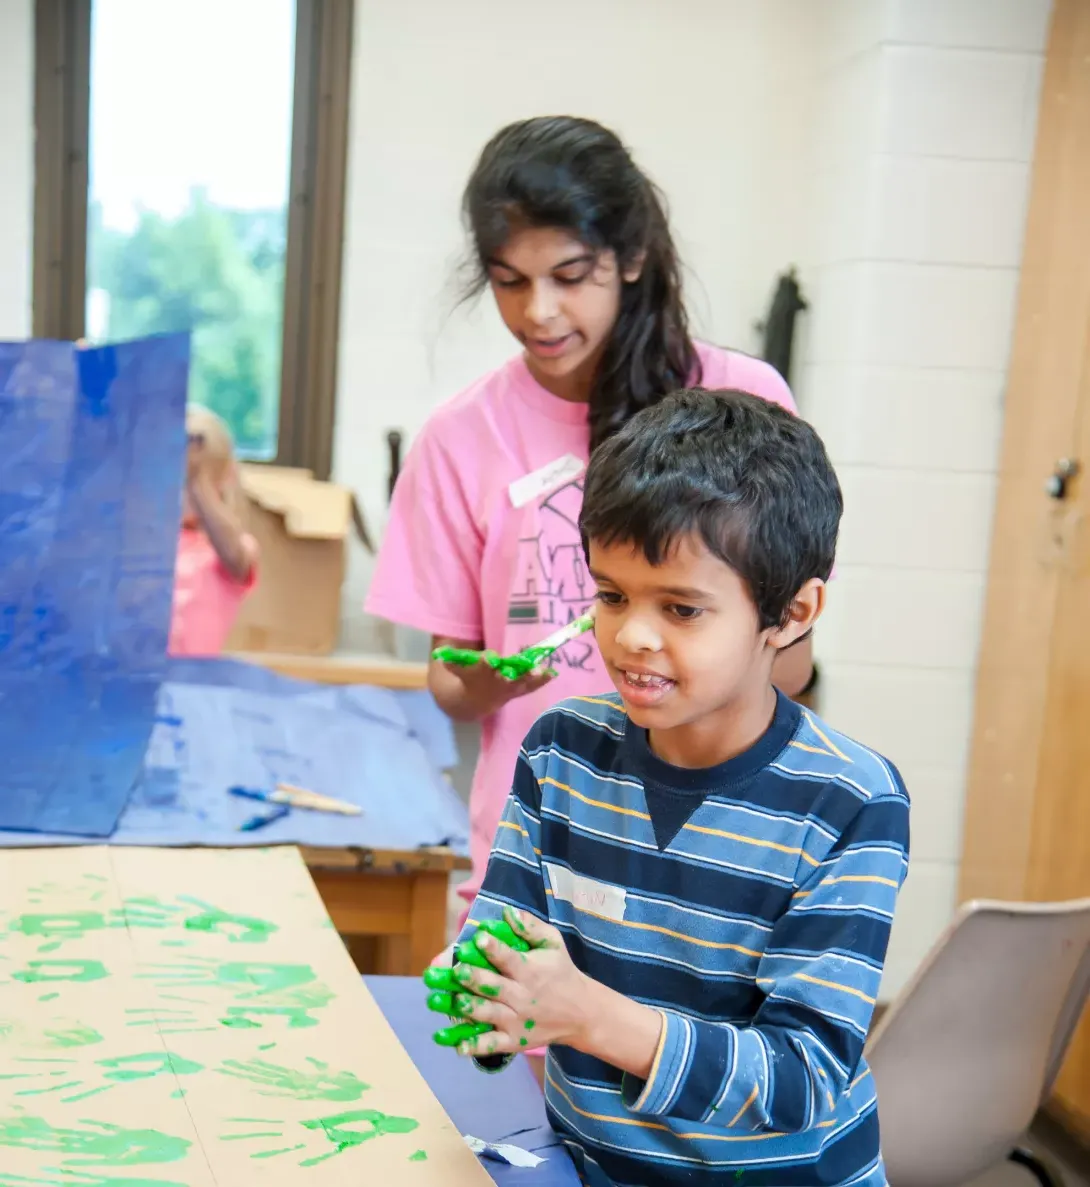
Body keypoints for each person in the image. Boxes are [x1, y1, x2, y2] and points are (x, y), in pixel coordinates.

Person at [435, 390, 910, 1187]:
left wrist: (588, 1014)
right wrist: (486, 1002)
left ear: (791, 613)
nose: (631, 636)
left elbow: (800, 1078)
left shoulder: (849, 801)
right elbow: (501, 962)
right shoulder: (562, 754)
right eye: (612, 594)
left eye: (682, 608)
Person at [365, 116, 813, 917]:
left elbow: (792, 665)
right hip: (543, 846)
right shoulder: (459, 438)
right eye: (509, 280)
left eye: (570, 275)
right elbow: (448, 677)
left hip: (708, 845)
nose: (538, 312)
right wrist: (480, 678)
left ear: (630, 258)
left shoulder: (744, 406)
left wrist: (681, 674)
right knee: (539, 1035)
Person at [169, 404, 259, 656]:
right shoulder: (148, 544)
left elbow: (235, 558)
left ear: (222, 482)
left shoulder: (224, 549)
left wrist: (198, 484)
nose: (180, 495)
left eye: (187, 484)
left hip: (194, 681)